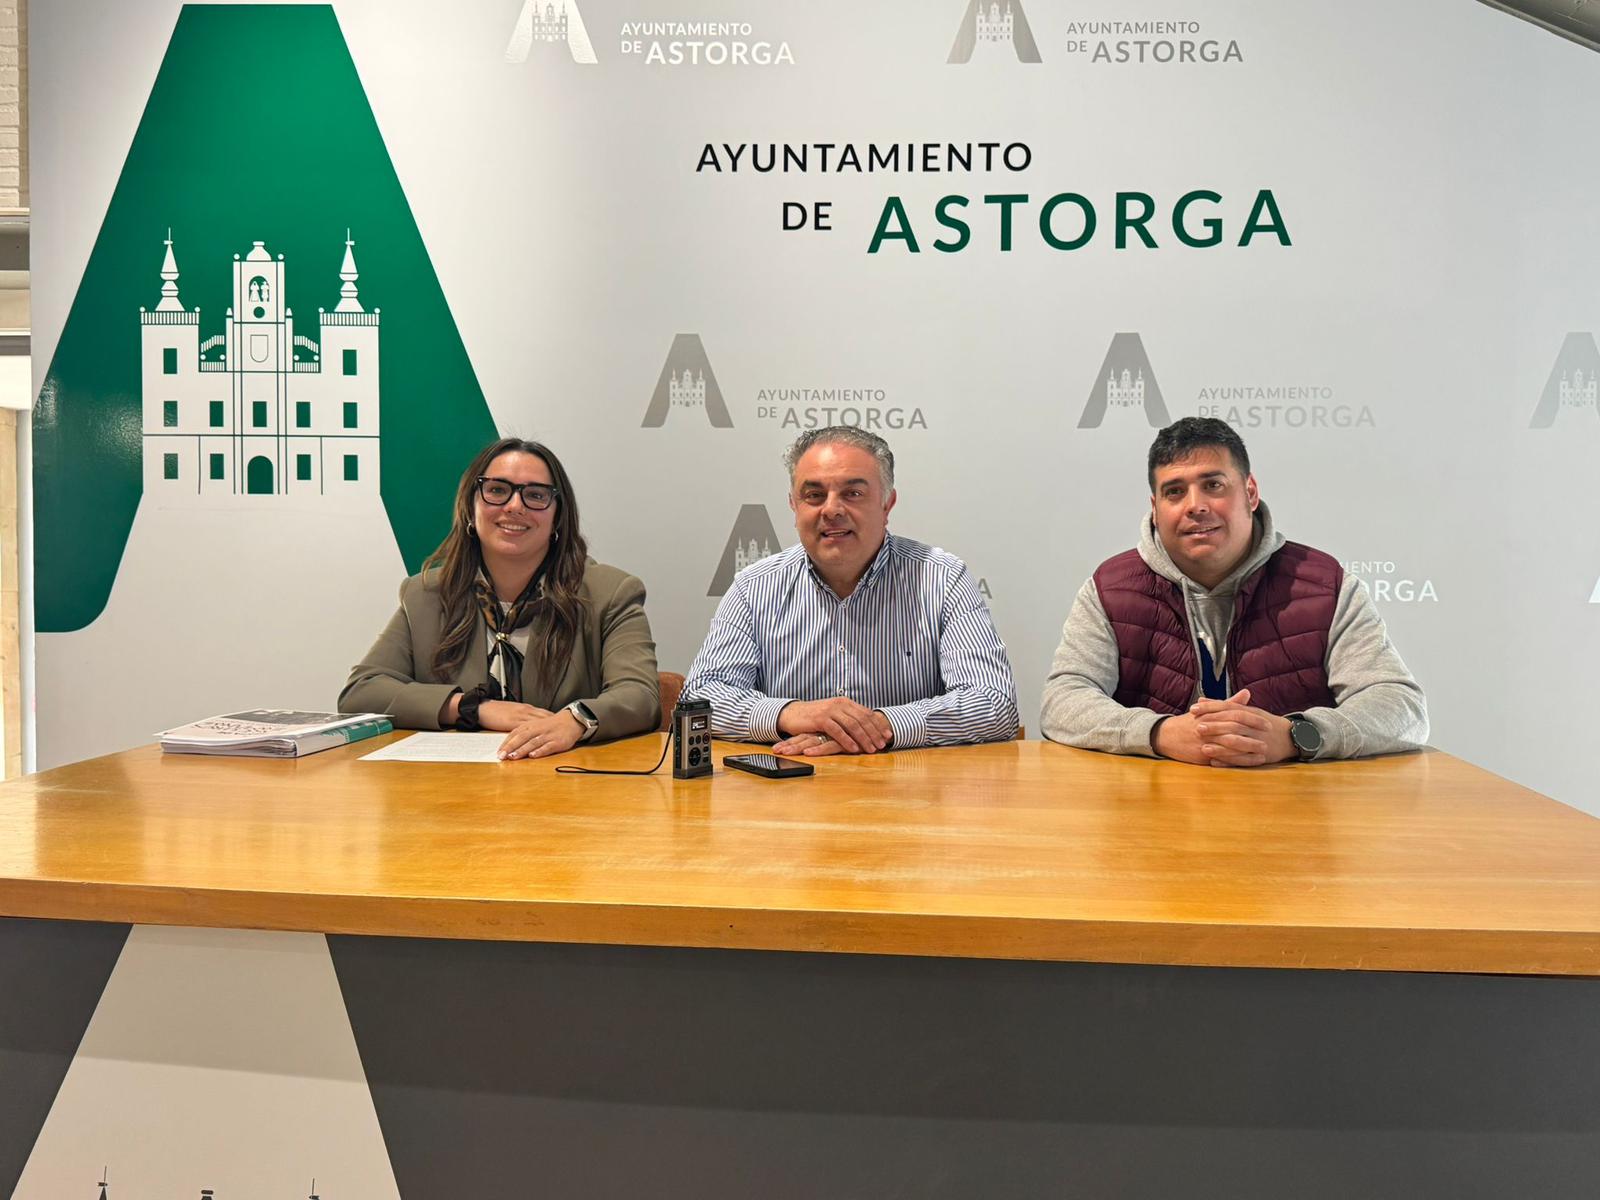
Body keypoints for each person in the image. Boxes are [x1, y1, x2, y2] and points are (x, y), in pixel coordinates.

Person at [1041, 417, 1427, 765]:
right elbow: (1062, 701)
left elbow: (1402, 707)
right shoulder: (1111, 588)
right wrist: (1159, 734)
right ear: (1155, 508)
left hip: (1296, 814)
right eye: (1175, 492)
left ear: (1250, 492)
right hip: (1153, 813)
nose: (1196, 506)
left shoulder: (1325, 585)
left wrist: (1296, 735)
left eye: (1213, 485)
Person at [684, 426, 1019, 756]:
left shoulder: (942, 579)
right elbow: (700, 696)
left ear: (887, 504)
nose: (831, 509)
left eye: (852, 494)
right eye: (814, 495)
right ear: (793, 505)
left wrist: (882, 726)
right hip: (790, 793)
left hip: (909, 795)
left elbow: (993, 702)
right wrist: (792, 713)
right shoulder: (754, 587)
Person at [340, 437, 660, 759]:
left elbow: (640, 695)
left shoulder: (610, 593)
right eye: (497, 490)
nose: (514, 506)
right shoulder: (426, 594)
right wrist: (471, 708)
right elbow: (362, 691)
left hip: (563, 783)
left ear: (557, 518)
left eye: (535, 495)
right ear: (471, 506)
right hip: (450, 790)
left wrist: (576, 720)